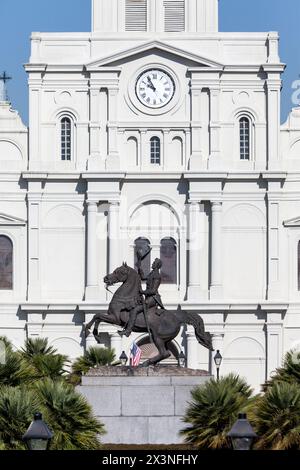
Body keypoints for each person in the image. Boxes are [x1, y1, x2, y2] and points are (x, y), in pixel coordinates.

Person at [118, 258, 164, 337]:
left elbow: (153, 291)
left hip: (152, 299)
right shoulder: (152, 273)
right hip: (147, 297)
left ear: (157, 265)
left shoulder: (157, 276)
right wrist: (139, 266)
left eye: (154, 263)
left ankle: (128, 331)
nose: (152, 263)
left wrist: (142, 292)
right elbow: (142, 277)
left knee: (135, 310)